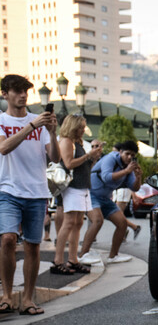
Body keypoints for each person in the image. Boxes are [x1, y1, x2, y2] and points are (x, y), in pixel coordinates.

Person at [0, 74, 60, 316]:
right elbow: (4, 148)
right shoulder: (2, 120)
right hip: (7, 189)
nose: (23, 95)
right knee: (7, 240)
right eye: (16, 90)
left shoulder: (39, 122)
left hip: (36, 191)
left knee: (34, 247)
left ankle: (27, 298)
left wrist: (53, 132)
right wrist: (32, 126)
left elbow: (55, 158)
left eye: (25, 90)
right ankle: (6, 294)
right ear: (5, 94)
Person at [51, 114, 102, 275]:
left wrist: (92, 158)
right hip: (73, 187)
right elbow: (68, 164)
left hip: (82, 186)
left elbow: (83, 166)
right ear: (73, 127)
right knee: (69, 222)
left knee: (78, 223)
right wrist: (88, 156)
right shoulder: (66, 141)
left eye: (83, 127)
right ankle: (58, 260)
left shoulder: (77, 142)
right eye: (80, 127)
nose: (82, 130)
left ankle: (73, 259)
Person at [78, 140, 142, 264]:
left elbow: (134, 188)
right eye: (127, 154)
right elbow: (106, 177)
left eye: (132, 156)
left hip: (106, 198)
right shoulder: (110, 159)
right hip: (91, 194)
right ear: (121, 152)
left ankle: (113, 256)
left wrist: (138, 177)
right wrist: (126, 171)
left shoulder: (127, 167)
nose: (129, 158)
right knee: (97, 220)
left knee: (122, 223)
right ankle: (82, 255)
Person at [111, 142, 141, 239]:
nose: (114, 155)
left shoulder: (127, 164)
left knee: (117, 213)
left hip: (123, 190)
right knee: (117, 213)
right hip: (118, 190)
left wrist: (134, 194)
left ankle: (131, 228)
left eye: (114, 152)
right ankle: (128, 229)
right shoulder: (116, 162)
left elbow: (131, 181)